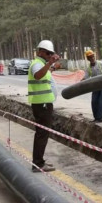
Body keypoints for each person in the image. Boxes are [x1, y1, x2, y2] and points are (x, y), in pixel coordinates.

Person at [28, 40, 61, 173]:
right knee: (42, 134)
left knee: (42, 133)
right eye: (48, 53)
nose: (49, 55)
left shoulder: (41, 64)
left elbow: (44, 74)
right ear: (40, 51)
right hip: (42, 105)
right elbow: (37, 75)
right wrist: (49, 63)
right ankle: (38, 164)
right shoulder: (37, 64)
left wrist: (52, 67)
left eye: (51, 53)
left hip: (43, 104)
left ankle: (38, 161)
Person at [82, 50, 102, 123]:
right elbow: (85, 78)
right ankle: (96, 118)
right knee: (94, 102)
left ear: (94, 56)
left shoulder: (100, 64)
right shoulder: (88, 68)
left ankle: (99, 118)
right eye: (90, 57)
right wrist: (79, 83)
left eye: (92, 56)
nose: (92, 58)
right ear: (88, 59)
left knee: (101, 102)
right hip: (95, 86)